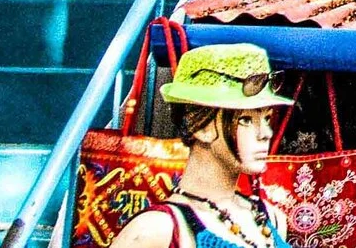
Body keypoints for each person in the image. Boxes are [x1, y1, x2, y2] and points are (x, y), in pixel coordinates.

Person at [108, 43, 294, 248]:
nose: (266, 133)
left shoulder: (272, 219)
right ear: (200, 126)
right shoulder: (156, 229)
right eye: (246, 120)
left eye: (267, 118)